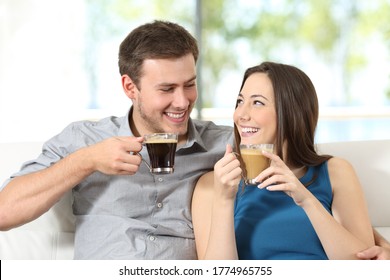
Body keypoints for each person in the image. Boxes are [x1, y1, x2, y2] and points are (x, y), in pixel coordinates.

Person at [0, 20, 233, 259]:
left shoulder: (223, 145)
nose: (183, 102)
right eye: (166, 89)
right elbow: (4, 212)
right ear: (130, 87)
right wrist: (87, 161)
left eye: (190, 85)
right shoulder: (85, 139)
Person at [192, 61, 376, 260]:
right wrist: (224, 200)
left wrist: (306, 199)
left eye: (257, 103)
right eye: (239, 101)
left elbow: (365, 266)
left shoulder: (335, 171)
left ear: (291, 112)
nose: (241, 115)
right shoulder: (212, 184)